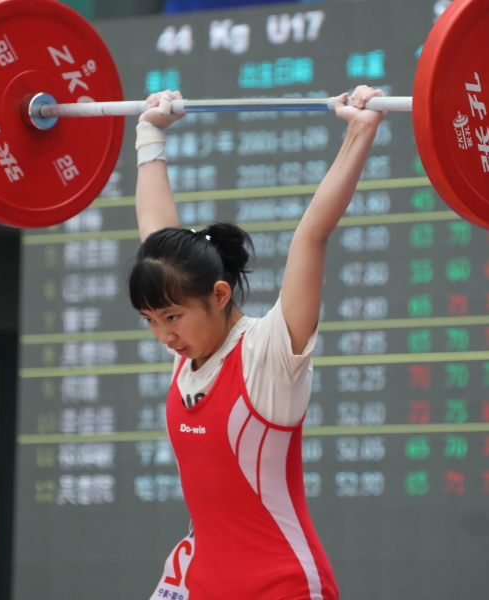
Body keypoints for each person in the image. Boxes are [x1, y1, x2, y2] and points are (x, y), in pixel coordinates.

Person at [130, 86, 386, 600]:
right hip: (201, 582)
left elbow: (310, 235)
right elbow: (156, 241)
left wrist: (361, 129)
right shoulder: (191, 355)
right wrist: (149, 136)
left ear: (219, 295)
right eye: (150, 320)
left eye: (173, 317)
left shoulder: (268, 354)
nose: (164, 336)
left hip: (283, 586)